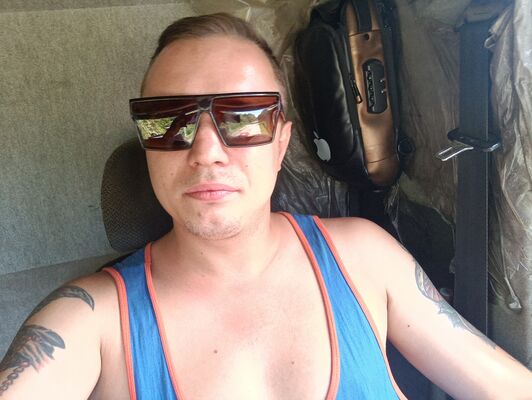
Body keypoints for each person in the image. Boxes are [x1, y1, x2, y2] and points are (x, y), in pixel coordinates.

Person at [1, 12, 531, 400]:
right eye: (169, 121)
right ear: (148, 148)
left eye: (244, 117)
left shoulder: (364, 257)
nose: (206, 152)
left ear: (281, 144)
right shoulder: (87, 321)